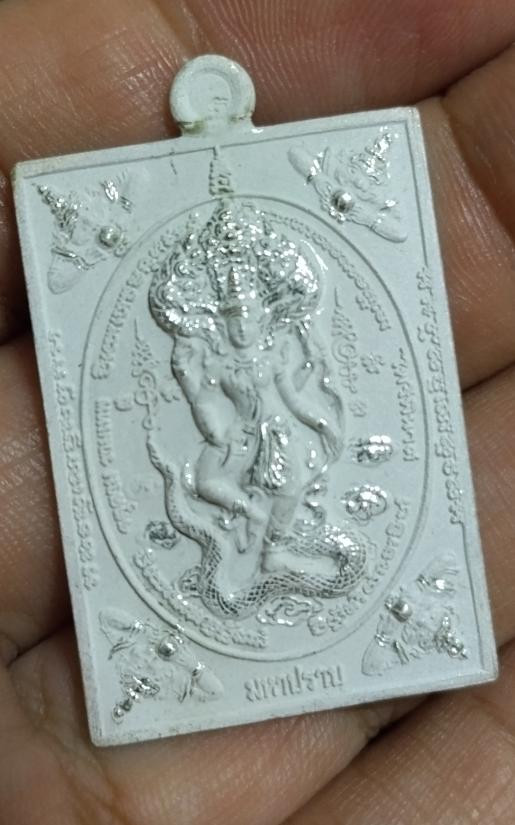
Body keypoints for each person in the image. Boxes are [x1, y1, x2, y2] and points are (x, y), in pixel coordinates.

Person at [1, 1, 515, 822]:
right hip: (234, 449)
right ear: (208, 309)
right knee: (221, 489)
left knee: (294, 480)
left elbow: (312, 398)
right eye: (227, 304)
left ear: (273, 302)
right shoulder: (200, 351)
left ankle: (281, 549)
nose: (241, 313)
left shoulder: (282, 343)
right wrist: (238, 447)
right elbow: (208, 420)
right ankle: (245, 556)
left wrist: (312, 430)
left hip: (287, 440)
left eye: (253, 302)